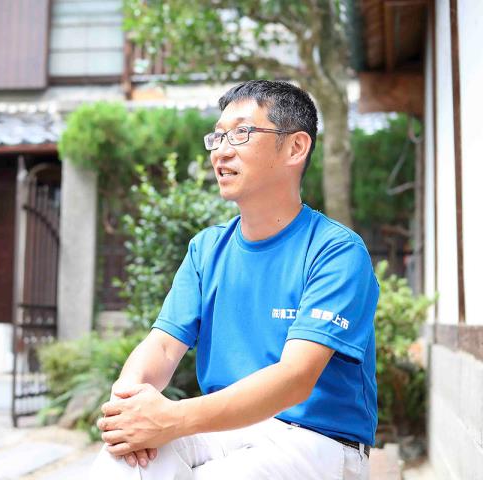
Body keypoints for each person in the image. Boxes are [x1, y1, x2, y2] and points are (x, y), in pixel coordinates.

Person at [88, 80, 379, 480]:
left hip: (317, 439)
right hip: (223, 427)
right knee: (122, 459)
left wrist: (172, 418)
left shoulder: (336, 251)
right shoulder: (207, 249)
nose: (221, 151)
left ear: (296, 147)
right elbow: (163, 346)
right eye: (218, 136)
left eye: (241, 133)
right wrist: (127, 405)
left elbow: (295, 378)